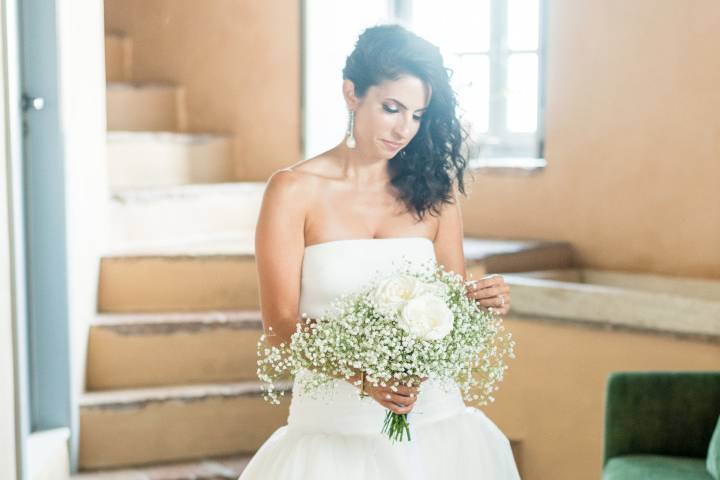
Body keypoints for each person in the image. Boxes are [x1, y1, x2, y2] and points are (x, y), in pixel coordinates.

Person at [241, 24, 519, 479]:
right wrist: (362, 378)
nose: (404, 129)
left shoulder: (434, 192)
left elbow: (453, 301)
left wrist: (484, 299)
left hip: (437, 427)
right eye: (391, 108)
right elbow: (280, 327)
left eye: (417, 114)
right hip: (333, 436)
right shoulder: (293, 191)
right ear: (352, 94)